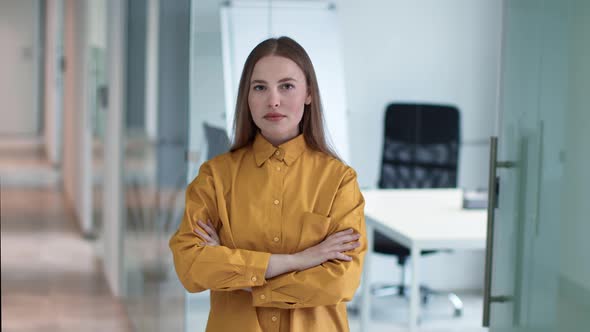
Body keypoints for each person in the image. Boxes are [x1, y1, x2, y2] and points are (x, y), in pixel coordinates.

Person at [169, 36, 366, 332]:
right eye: (260, 87)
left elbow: (341, 280)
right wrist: (300, 260)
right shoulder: (214, 177)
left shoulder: (340, 181)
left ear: (308, 93)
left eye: (286, 86)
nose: (273, 100)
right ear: (247, 98)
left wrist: (246, 280)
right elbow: (190, 265)